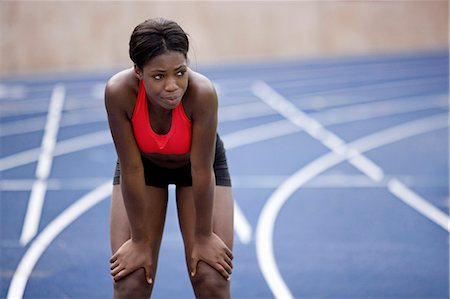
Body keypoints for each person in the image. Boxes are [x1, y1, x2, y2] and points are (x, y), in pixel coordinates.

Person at [105, 18, 234, 299]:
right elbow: (131, 167)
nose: (173, 86)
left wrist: (202, 236)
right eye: (159, 76)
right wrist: (139, 240)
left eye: (180, 72)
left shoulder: (202, 94)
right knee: (131, 280)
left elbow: (201, 170)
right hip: (142, 168)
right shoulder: (119, 93)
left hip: (197, 168)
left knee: (211, 277)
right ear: (138, 71)